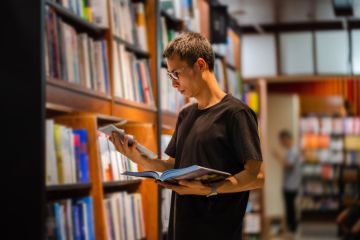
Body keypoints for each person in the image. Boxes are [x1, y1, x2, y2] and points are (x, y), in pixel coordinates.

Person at [109, 32, 264, 240]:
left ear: (200, 65)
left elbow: (258, 176)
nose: (173, 83)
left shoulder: (236, 114)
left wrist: (210, 189)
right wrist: (138, 158)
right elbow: (173, 167)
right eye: (169, 76)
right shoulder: (185, 115)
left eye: (176, 74)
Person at [272, 130, 301, 235]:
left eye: (282, 140)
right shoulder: (291, 151)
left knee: (290, 209)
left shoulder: (293, 151)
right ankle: (291, 228)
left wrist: (278, 156)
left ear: (286, 139)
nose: (281, 143)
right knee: (290, 208)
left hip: (291, 186)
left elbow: (289, 166)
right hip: (290, 185)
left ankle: (292, 229)